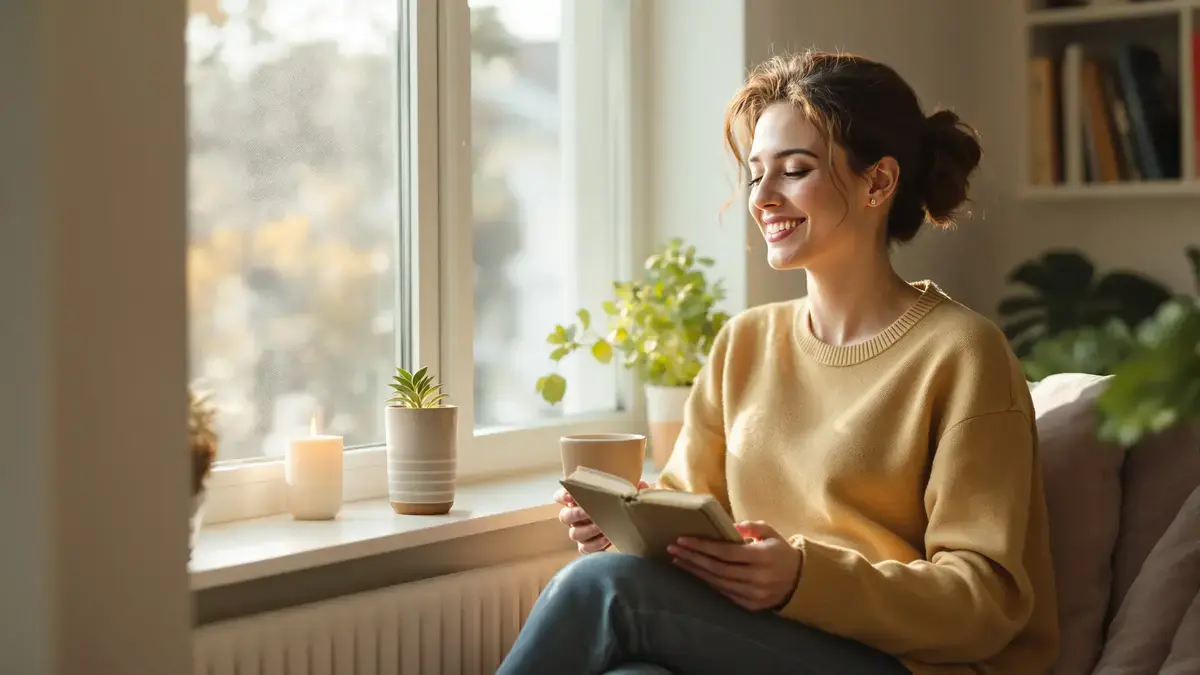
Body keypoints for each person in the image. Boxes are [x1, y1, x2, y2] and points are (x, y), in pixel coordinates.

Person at [496, 49, 1059, 675]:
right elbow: (689, 511)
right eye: (756, 173)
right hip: (764, 643)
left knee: (601, 588)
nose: (762, 197)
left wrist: (801, 579)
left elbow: (985, 603)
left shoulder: (963, 354)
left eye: (793, 170)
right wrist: (626, 526)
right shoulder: (744, 344)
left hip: (900, 663)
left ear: (878, 183)